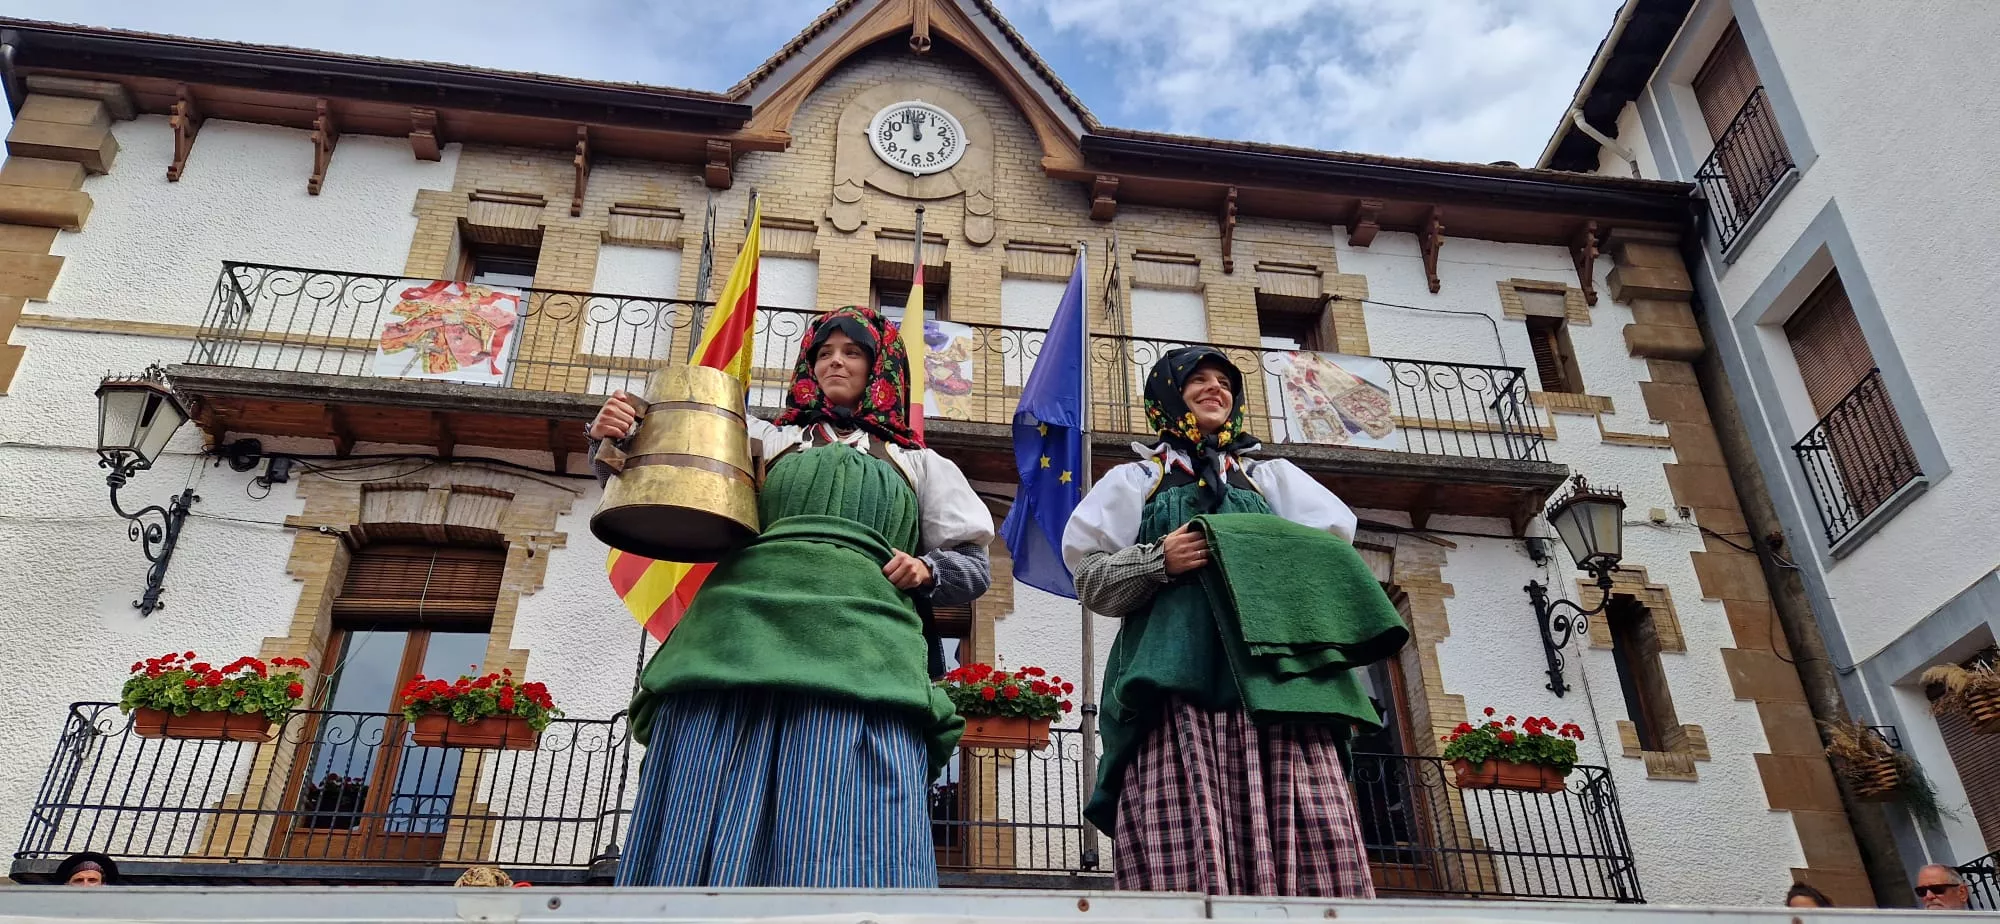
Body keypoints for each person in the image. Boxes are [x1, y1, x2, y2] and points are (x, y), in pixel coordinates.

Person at [590, 305, 991, 888]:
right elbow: (667, 482)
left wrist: (926, 569)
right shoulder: (760, 437)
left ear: (881, 369)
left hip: (864, 644)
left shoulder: (923, 464)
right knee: (707, 775)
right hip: (738, 635)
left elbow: (973, 568)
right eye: (824, 352)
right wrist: (620, 434)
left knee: (845, 796)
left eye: (852, 352)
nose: (836, 361)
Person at [1062, 346, 1407, 896]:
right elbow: (1093, 581)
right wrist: (1158, 560)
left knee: (1309, 827)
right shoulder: (1137, 481)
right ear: (1168, 398)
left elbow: (1330, 558)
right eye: (1196, 381)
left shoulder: (1271, 479)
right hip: (1177, 685)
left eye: (1223, 382)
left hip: (1282, 691)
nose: (1213, 389)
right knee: (1187, 830)